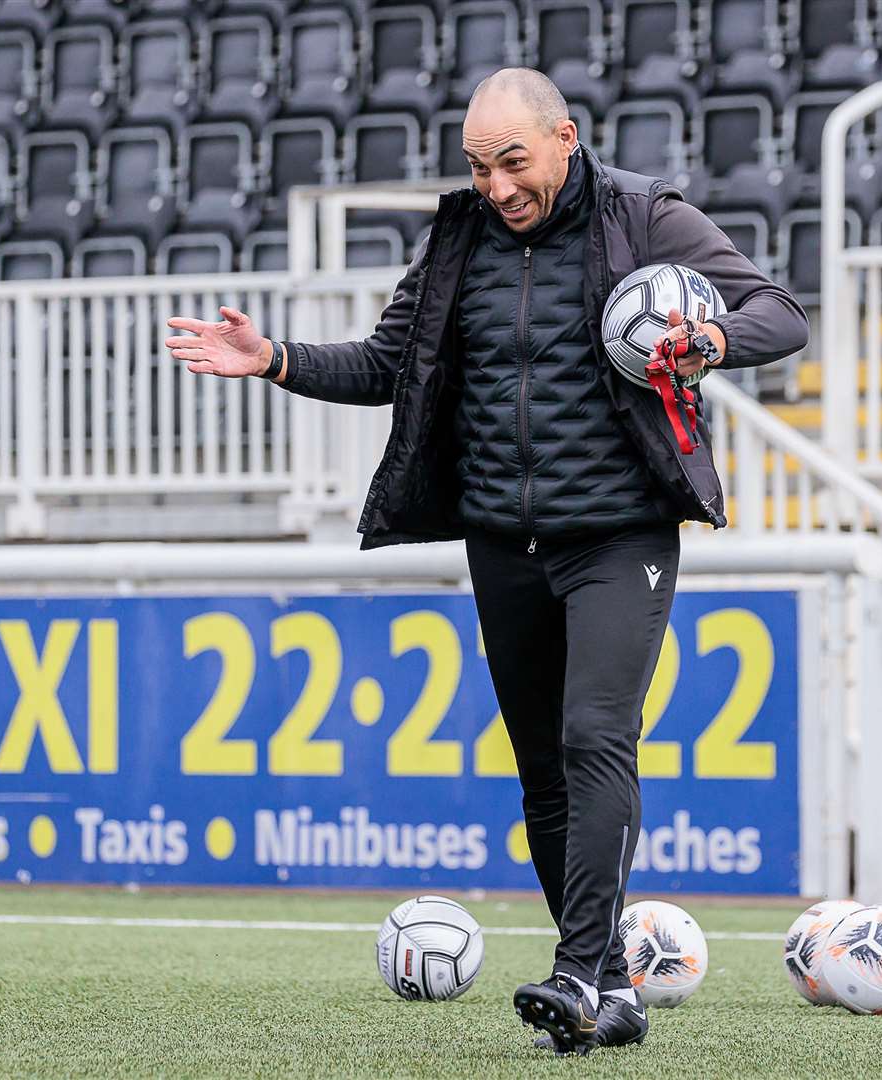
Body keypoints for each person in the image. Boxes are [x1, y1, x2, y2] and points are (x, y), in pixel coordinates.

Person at [164, 68, 809, 1054]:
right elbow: (390, 363)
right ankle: (612, 992)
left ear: (563, 139)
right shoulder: (459, 235)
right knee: (542, 771)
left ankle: (579, 973)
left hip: (618, 535)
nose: (498, 185)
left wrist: (707, 337)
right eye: (478, 165)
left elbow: (777, 312)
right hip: (501, 544)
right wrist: (273, 360)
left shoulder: (645, 216)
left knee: (596, 735)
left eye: (512, 161)